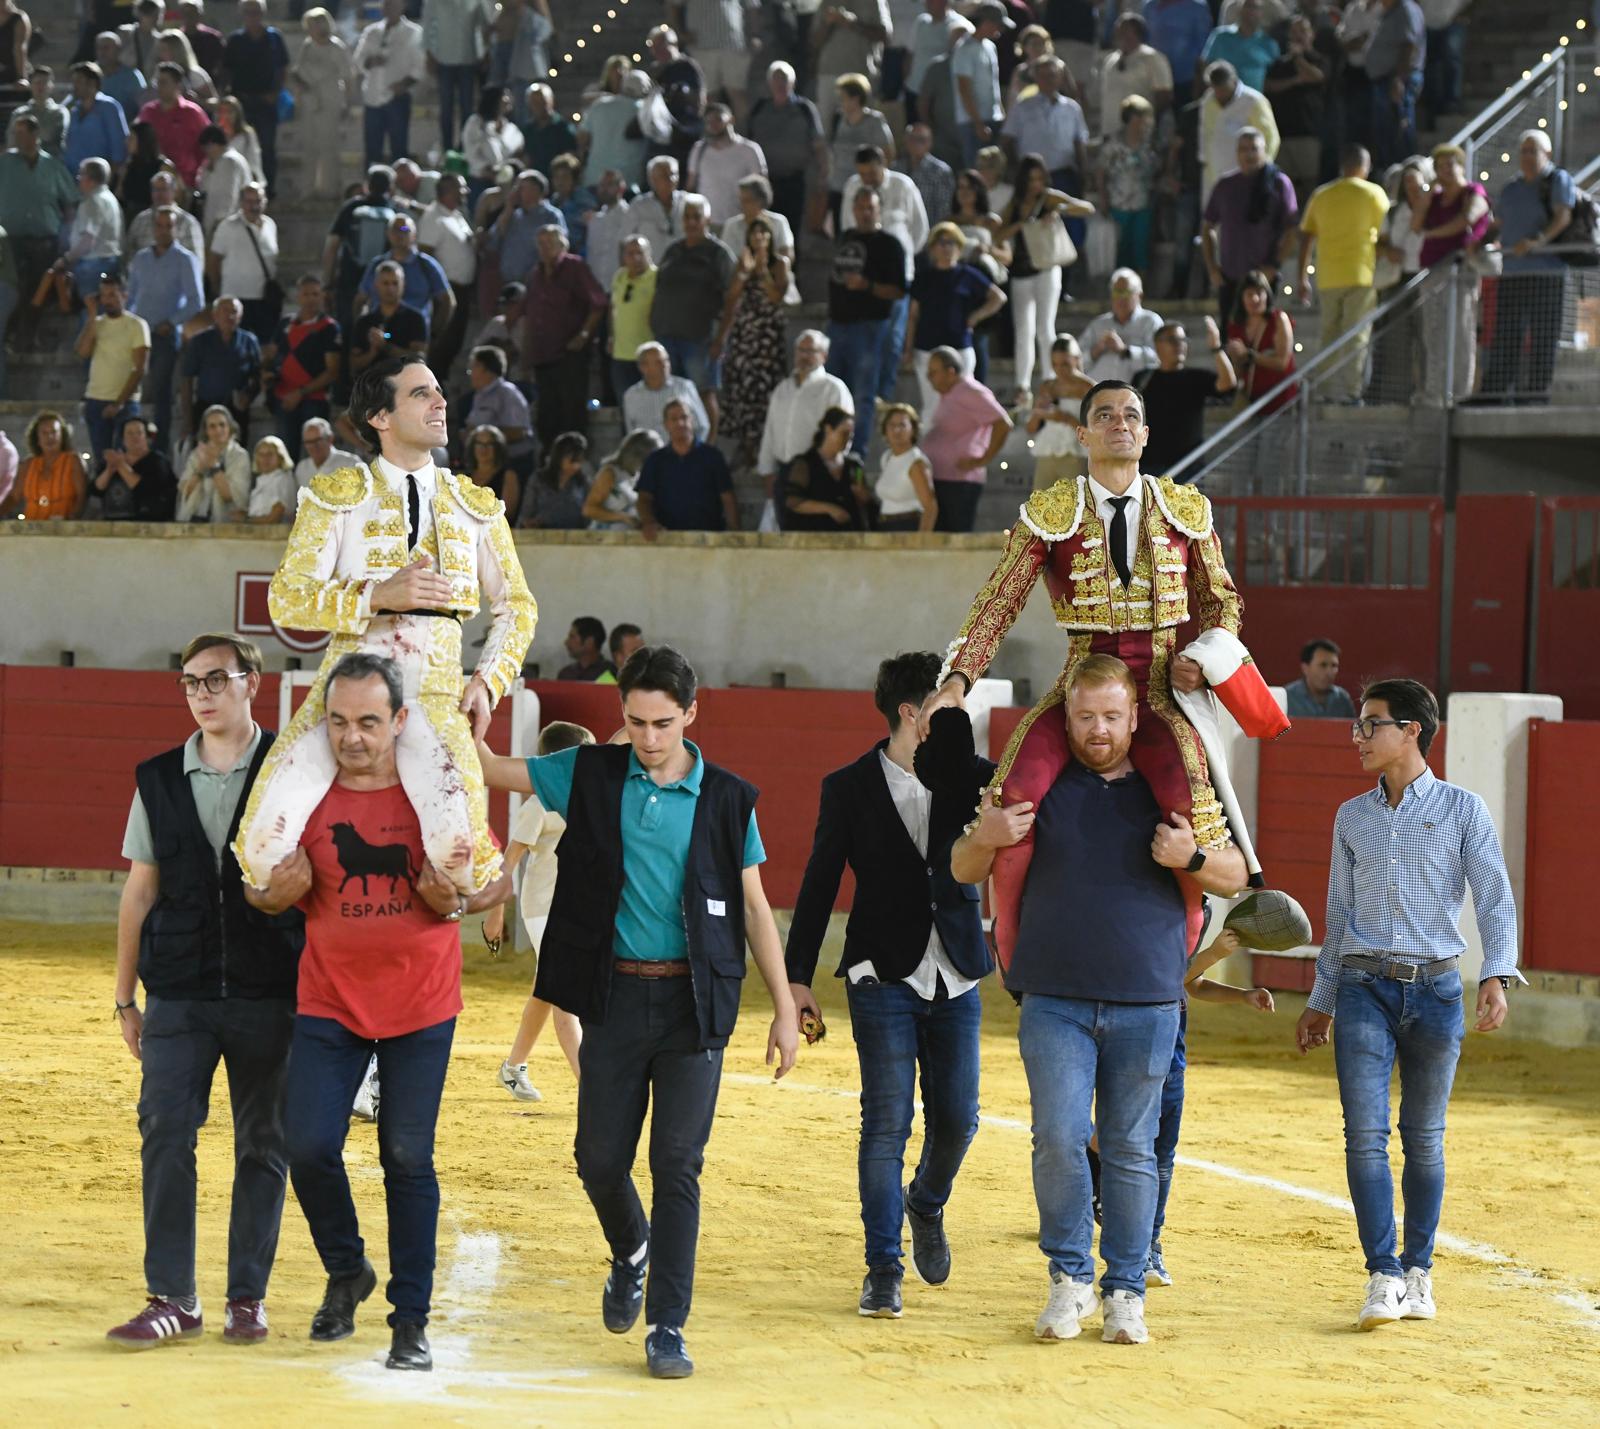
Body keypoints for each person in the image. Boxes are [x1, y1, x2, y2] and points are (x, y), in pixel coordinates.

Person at [475, 645, 799, 1379]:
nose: (649, 739)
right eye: (637, 722)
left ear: (691, 714)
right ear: (621, 716)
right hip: (614, 997)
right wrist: (472, 710)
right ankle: (631, 1248)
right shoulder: (588, 772)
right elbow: (491, 769)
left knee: (677, 1165)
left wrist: (784, 1007)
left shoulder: (727, 798)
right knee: (598, 1159)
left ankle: (668, 1324)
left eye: (663, 723)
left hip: (693, 1004)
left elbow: (755, 908)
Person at [921, 379, 1279, 974]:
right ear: (1082, 434)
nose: (1120, 423)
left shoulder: (1185, 510)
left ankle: (1180, 960)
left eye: (1131, 415)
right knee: (1011, 799)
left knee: (1191, 814)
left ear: (1145, 434)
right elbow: (999, 601)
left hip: (1164, 689)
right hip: (1079, 687)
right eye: (1105, 415)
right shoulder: (1050, 513)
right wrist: (958, 680)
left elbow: (1223, 604)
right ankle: (1014, 955)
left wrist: (1204, 657)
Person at [949, 654, 1249, 1346]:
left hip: (1148, 1000)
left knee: (1130, 1147)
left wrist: (1191, 858)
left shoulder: (1174, 792)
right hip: (1053, 996)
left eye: (1112, 715)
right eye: (1085, 716)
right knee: (1058, 1136)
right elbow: (964, 866)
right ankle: (1068, 1278)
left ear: (1135, 716)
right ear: (1067, 716)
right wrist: (983, 837)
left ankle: (1125, 1290)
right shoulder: (1037, 784)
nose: (1099, 730)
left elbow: (1237, 873)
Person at [243, 652, 510, 1372]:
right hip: (329, 998)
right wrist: (268, 897)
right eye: (337, 721)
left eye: (367, 721)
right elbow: (259, 884)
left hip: (421, 1004)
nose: (351, 737)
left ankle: (409, 1321)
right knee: (307, 1146)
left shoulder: (435, 795)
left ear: (399, 720)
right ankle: (346, 1269)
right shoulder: (304, 794)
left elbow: (495, 882)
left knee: (406, 1156)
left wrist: (455, 901)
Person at [232, 355, 538, 900]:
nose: (441, 402)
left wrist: (488, 681)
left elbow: (518, 606)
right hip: (345, 691)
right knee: (260, 850)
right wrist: (376, 597)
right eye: (422, 394)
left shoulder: (475, 505)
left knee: (465, 862)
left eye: (439, 391)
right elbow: (286, 599)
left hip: (436, 691)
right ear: (380, 417)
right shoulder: (336, 495)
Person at [1295, 678, 1521, 1331]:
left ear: (1412, 730)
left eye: (1371, 724)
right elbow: (1338, 916)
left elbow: (1494, 897)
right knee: (1364, 1135)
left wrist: (1497, 974)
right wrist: (1322, 998)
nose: (1359, 736)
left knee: (1423, 1137)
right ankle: (1383, 1273)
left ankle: (1418, 1270)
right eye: (1358, 725)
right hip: (1363, 986)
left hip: (1437, 990)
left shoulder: (1462, 808)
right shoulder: (1351, 816)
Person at [104, 633, 304, 1352]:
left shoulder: (290, 770)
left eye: (217, 678)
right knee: (164, 1129)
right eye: (190, 681)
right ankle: (172, 1297)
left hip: (271, 990)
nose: (201, 693)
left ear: (252, 681)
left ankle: (246, 1296)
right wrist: (125, 997)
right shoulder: (159, 777)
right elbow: (140, 891)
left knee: (264, 1143)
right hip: (180, 993)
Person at [786, 653, 991, 1316]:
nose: (958, 711)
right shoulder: (848, 787)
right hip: (880, 973)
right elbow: (819, 883)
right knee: (885, 1123)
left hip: (956, 969)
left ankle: (925, 1202)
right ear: (913, 710)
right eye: (947, 700)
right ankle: (883, 1268)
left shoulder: (976, 777)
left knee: (958, 1120)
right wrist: (796, 977)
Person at [488, 718, 596, 1102]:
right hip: (543, 909)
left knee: (547, 990)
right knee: (564, 996)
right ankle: (592, 1088)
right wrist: (496, 914)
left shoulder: (590, 799)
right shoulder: (539, 803)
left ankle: (513, 1066)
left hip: (577, 910)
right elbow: (508, 861)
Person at [1481, 130, 1575, 407]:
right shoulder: (1511, 188)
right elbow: (1498, 225)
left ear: (1547, 154)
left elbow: (1563, 217)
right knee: (1506, 334)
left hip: (1546, 273)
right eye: (1523, 151)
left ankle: (1536, 394)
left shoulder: (1557, 180)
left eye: (1533, 151)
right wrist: (1478, 243)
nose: (1527, 156)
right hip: (1512, 273)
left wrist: (1538, 241)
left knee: (1543, 336)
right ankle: (1495, 393)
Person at [996, 154, 1094, 407]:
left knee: (1044, 327)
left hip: (1047, 268)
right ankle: (1022, 385)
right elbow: (998, 233)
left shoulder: (1048, 198)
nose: (1035, 185)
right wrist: (1021, 225)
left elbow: (1086, 208)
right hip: (1021, 271)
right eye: (1031, 180)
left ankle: (1050, 379)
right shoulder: (1016, 203)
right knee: (1023, 330)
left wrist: (1059, 210)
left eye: (1039, 179)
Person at [1296, 144, 1390, 403]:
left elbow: (1306, 238)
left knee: (1328, 335)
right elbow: (1386, 234)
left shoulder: (1321, 195)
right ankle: (1352, 391)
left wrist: (1302, 278)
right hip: (1362, 274)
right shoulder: (1374, 193)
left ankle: (1324, 390)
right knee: (1356, 335)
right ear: (1365, 167)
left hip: (1328, 277)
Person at [827, 187, 906, 455]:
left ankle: (856, 453)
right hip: (837, 324)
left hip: (870, 327)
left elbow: (898, 291)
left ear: (879, 210)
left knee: (863, 395)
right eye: (860, 207)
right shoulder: (845, 238)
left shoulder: (890, 245)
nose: (865, 213)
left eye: (870, 208)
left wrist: (867, 286)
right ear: (853, 210)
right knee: (833, 391)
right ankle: (832, 449)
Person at [652, 195, 736, 439]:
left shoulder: (718, 254)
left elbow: (733, 298)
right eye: (687, 217)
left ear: (707, 220)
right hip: (667, 334)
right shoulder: (673, 251)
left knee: (703, 393)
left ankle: (708, 448)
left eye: (696, 217)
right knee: (671, 396)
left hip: (700, 338)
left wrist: (721, 338)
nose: (691, 222)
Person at [905, 222, 1006, 419]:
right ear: (933, 248)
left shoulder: (967, 274)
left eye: (951, 243)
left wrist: (976, 316)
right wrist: (908, 348)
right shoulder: (924, 278)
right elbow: (913, 316)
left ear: (959, 247)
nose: (946, 248)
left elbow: (998, 297)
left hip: (959, 346)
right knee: (932, 404)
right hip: (927, 348)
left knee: (963, 401)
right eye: (941, 243)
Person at [1414, 142, 1489, 407]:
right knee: (1433, 332)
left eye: (1450, 164)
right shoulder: (1434, 199)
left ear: (1461, 166)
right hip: (1432, 270)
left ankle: (1459, 393)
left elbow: (1469, 218)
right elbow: (1415, 224)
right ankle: (1435, 392)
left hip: (1460, 270)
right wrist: (1427, 194)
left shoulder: (1473, 192)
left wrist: (1433, 233)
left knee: (1461, 331)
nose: (1445, 170)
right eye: (1440, 166)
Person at [1202, 127, 1298, 328]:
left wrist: (1274, 265)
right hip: (1230, 276)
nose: (1249, 154)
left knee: (1263, 334)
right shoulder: (1225, 185)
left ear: (1264, 151)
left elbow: (1291, 230)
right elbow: (1208, 226)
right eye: (1243, 149)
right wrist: (1212, 267)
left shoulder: (1279, 183)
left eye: (1254, 149)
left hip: (1263, 278)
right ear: (1237, 153)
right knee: (1229, 335)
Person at [715, 218, 792, 467]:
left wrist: (762, 269)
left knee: (765, 389)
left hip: (767, 337)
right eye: (754, 234)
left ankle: (765, 447)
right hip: (744, 336)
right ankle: (746, 447)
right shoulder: (743, 262)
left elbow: (776, 295)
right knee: (742, 389)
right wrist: (745, 272)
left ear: (770, 237)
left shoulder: (780, 263)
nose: (758, 238)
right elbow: (731, 298)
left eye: (763, 234)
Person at [524, 226, 606, 446]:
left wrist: (584, 334)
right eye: (541, 244)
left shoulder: (575, 267)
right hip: (543, 354)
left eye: (550, 243)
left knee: (572, 413)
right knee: (547, 415)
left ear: (562, 245)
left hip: (569, 353)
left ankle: (574, 457)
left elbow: (598, 303)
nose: (545, 248)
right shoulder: (535, 274)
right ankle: (550, 458)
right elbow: (530, 314)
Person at [0, 117, 75, 352]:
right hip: (10, 238)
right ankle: (11, 333)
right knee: (13, 285)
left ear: (35, 135)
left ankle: (25, 335)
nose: (18, 138)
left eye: (23, 133)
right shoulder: (4, 163)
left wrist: (66, 235)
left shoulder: (52, 166)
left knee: (38, 288)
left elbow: (70, 201)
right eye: (16, 134)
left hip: (44, 238)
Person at [920, 345, 1013, 532]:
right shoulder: (948, 394)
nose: (929, 378)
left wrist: (983, 459)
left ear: (950, 372)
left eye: (934, 372)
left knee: (955, 535)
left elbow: (1003, 423)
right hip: (941, 477)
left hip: (959, 481)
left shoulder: (969, 391)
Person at [757, 330, 854, 505]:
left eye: (811, 351)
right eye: (801, 350)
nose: (804, 356)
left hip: (817, 472)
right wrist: (766, 470)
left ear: (824, 356)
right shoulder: (782, 388)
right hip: (783, 471)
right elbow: (770, 432)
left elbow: (844, 433)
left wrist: (832, 471)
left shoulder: (833, 389)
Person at [1133, 320, 1237, 481]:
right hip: (1149, 464)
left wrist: (1216, 348)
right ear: (1157, 345)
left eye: (1183, 340)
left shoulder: (1196, 377)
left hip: (1187, 466)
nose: (1179, 345)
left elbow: (1227, 384)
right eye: (1172, 340)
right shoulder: (1143, 378)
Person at [76, 273, 150, 476]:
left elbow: (140, 368)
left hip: (125, 403)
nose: (107, 300)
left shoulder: (137, 325)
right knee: (102, 460)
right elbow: (83, 352)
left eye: (112, 295)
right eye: (103, 295)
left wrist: (119, 403)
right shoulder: (97, 324)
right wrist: (92, 316)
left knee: (128, 459)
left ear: (124, 296)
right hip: (96, 400)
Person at [262, 275, 340, 464]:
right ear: (298, 296)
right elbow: (271, 356)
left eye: (315, 294)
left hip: (314, 400)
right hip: (283, 397)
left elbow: (332, 371)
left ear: (322, 296)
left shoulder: (329, 328)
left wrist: (300, 393)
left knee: (317, 456)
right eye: (306, 294)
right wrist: (265, 373)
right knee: (285, 456)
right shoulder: (284, 324)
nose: (311, 299)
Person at [745, 60, 826, 234]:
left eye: (784, 80)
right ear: (769, 83)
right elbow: (748, 142)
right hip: (765, 180)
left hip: (794, 180)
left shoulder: (805, 109)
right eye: (776, 80)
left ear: (793, 83)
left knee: (792, 227)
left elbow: (818, 144)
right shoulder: (760, 108)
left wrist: (822, 174)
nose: (780, 84)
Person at [637, 399, 739, 536]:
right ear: (666, 424)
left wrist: (734, 532)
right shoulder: (655, 460)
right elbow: (644, 498)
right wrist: (649, 522)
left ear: (692, 420)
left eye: (684, 417)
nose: (680, 423)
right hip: (666, 538)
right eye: (674, 419)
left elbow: (727, 497)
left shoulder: (712, 456)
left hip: (708, 537)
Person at [1263, 15, 1330, 203]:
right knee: (1284, 188)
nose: (1298, 35)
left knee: (1310, 187)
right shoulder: (1279, 64)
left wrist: (1298, 58)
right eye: (1294, 32)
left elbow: (1317, 77)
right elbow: (1269, 86)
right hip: (1282, 135)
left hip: (1307, 133)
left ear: (1312, 34)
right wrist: (1296, 80)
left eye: (1303, 31)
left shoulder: (1319, 59)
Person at [417, 174, 477, 380]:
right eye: (462, 188)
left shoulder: (456, 215)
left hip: (462, 290)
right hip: (446, 291)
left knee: (454, 342)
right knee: (442, 343)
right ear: (449, 191)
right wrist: (437, 292)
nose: (466, 192)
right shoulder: (433, 217)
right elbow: (425, 255)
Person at [357, 214, 453, 342]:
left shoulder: (427, 265)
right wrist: (361, 331)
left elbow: (447, 301)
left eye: (405, 229)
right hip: (380, 336)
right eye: (395, 229)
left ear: (415, 235)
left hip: (413, 337)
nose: (400, 234)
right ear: (387, 233)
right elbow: (360, 299)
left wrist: (433, 334)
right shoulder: (376, 265)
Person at [290, 7, 353, 201]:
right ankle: (307, 189)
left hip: (330, 100)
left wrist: (347, 103)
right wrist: (299, 98)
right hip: (310, 101)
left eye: (318, 24)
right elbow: (298, 72)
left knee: (328, 148)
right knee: (309, 147)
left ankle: (329, 190)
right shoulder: (307, 46)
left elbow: (348, 77)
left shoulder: (337, 47)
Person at [179, 296, 261, 444]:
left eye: (234, 312)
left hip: (237, 410)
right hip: (206, 406)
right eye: (225, 311)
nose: (230, 316)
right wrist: (187, 419)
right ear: (215, 315)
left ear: (240, 316)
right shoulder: (199, 341)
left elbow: (257, 376)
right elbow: (187, 379)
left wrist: (248, 396)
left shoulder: (249, 341)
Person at [354, 0, 426, 167]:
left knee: (399, 151)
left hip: (397, 98)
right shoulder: (371, 32)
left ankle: (398, 183)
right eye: (387, 4)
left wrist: (404, 84)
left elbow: (420, 66)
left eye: (394, 4)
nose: (390, 8)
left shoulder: (413, 32)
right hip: (372, 97)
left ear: (403, 6)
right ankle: (372, 183)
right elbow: (358, 61)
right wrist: (370, 61)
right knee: (372, 151)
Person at [207, 182, 279, 344]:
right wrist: (217, 289)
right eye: (249, 201)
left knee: (263, 344)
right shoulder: (227, 226)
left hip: (263, 299)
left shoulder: (270, 225)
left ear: (265, 201)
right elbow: (214, 260)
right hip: (235, 298)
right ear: (241, 203)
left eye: (258, 201)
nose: (254, 206)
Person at [1198, 62, 1278, 207]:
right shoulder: (1208, 100)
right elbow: (1205, 133)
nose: (1219, 94)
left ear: (1234, 81)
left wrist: (1262, 170)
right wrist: (1204, 161)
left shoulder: (1253, 101)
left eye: (1223, 89)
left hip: (1246, 175)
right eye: (1215, 89)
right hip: (1213, 174)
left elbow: (1270, 138)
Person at [1098, 97, 1162, 275]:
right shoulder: (1113, 144)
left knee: (1142, 249)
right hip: (1119, 204)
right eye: (1140, 117)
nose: (1144, 122)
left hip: (1143, 203)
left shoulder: (1149, 144)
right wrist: (1103, 199)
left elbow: (1157, 169)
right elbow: (1101, 171)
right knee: (1121, 249)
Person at [781, 406, 868, 532]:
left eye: (850, 436)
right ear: (828, 429)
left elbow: (864, 504)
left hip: (847, 534)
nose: (847, 440)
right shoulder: (805, 463)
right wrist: (829, 509)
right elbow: (793, 501)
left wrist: (863, 496)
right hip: (813, 532)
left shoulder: (853, 466)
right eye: (843, 433)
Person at [826, 78, 895, 232]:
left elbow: (888, 153)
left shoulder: (875, 121)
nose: (839, 102)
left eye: (843, 98)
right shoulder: (838, 120)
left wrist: (874, 180)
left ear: (855, 98)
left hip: (864, 187)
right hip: (839, 187)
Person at [55, 157, 124, 309]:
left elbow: (88, 240)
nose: (78, 180)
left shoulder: (92, 202)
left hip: (93, 266)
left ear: (90, 179)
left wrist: (66, 259)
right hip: (109, 262)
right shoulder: (110, 198)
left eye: (81, 175)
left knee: (90, 310)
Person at [1224, 268, 1298, 411]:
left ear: (1267, 295)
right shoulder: (1236, 326)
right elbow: (1237, 373)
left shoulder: (1278, 320)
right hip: (1252, 400)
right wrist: (1236, 358)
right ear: (1242, 298)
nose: (1255, 299)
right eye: (1249, 294)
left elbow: (1282, 363)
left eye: (1259, 293)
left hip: (1280, 400)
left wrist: (1249, 354)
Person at [1364, 0, 1424, 170]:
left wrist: (1398, 79)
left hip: (1397, 79)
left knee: (1400, 129)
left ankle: (1406, 173)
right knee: (1385, 131)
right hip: (1384, 79)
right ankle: (1390, 170)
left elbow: (1408, 45)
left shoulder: (1405, 10)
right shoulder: (1389, 12)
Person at [1026, 334, 1092, 487]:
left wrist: (1064, 418)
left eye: (1065, 364)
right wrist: (1039, 411)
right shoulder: (1048, 386)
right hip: (1047, 452)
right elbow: (1031, 428)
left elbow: (1095, 434)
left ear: (1076, 359)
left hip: (1075, 454)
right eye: (1054, 364)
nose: (1059, 370)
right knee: (1041, 501)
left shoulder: (1089, 388)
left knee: (1072, 500)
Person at [1079, 267, 1164, 385]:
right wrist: (1097, 350)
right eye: (1116, 292)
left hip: (1135, 392)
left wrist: (1125, 350)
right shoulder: (1098, 324)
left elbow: (1160, 358)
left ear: (1139, 295)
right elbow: (1075, 360)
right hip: (1098, 390)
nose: (1121, 298)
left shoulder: (1150, 321)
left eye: (1126, 292)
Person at [687, 103, 768, 227]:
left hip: (741, 222)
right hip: (707, 223)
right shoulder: (699, 150)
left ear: (731, 120)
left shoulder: (749, 150)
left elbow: (762, 189)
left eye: (718, 120)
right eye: (709, 122)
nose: (713, 125)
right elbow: (691, 186)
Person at [350, 260, 430, 380]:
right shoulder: (364, 322)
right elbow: (354, 366)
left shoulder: (415, 319)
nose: (390, 288)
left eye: (395, 283)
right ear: (376, 285)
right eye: (385, 283)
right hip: (372, 385)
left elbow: (419, 360)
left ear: (403, 285)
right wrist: (372, 352)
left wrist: (386, 347)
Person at [1, 411, 88, 522]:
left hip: (63, 527)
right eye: (44, 433)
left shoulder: (73, 461)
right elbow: (14, 497)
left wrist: (72, 519)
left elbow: (82, 496)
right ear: (37, 438)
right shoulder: (28, 464)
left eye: (54, 432)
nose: (50, 437)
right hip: (30, 526)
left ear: (62, 435)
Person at [952, 3, 1009, 168]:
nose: (1000, 30)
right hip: (972, 123)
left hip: (992, 118)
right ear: (986, 23)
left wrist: (1001, 114)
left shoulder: (990, 47)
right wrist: (978, 123)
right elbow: (964, 89)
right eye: (998, 25)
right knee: (976, 168)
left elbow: (993, 86)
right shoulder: (964, 49)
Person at [621, 342, 711, 445]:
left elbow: (702, 425)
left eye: (666, 360)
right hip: (647, 453)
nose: (665, 365)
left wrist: (693, 450)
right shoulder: (631, 396)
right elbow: (631, 432)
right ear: (643, 367)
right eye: (659, 362)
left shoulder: (685, 387)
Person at [176, 403, 252, 524]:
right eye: (212, 426)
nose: (218, 430)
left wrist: (214, 466)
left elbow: (234, 496)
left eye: (222, 425)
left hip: (225, 522)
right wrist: (200, 470)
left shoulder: (240, 456)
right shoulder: (196, 454)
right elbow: (185, 492)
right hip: (193, 519)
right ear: (206, 431)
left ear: (230, 427)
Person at [463, 344, 535, 471]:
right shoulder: (479, 396)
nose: (470, 374)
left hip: (511, 464)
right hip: (486, 463)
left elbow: (519, 432)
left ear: (484, 368)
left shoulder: (508, 394)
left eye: (472, 368)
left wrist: (485, 436)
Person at [1100, 14, 1174, 135]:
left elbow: (1164, 95)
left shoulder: (1153, 58)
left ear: (1137, 33)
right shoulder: (1110, 60)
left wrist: (1147, 122)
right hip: (1110, 131)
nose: (1119, 33)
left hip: (1138, 133)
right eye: (1118, 29)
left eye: (1125, 29)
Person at [94, 412, 176, 520]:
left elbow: (148, 490)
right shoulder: (113, 459)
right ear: (123, 439)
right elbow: (96, 490)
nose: (135, 437)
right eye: (130, 433)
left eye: (139, 433)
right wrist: (109, 470)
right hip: (113, 520)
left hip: (149, 521)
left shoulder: (157, 461)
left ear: (147, 437)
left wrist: (121, 466)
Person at [873, 403, 937, 532]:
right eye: (892, 425)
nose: (896, 430)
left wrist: (921, 539)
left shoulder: (916, 462)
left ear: (912, 429)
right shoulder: (887, 458)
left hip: (908, 526)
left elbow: (930, 506)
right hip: (886, 526)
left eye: (902, 425)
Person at [583, 430, 661, 531]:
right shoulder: (610, 473)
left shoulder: (637, 476)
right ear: (638, 456)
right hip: (603, 536)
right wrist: (623, 517)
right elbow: (589, 510)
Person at [64, 61, 131, 178]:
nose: (74, 86)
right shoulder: (73, 110)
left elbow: (119, 147)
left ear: (92, 83)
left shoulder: (109, 107)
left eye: (78, 81)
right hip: (73, 177)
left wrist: (110, 178)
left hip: (99, 178)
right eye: (73, 81)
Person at [1201, 0, 1280, 93]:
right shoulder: (1220, 37)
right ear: (1239, 10)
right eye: (1247, 6)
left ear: (1261, 12)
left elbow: (1274, 76)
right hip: (1221, 98)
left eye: (1255, 7)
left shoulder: (1269, 44)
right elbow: (1204, 66)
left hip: (1254, 99)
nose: (1250, 11)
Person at [518, 431, 589, 529]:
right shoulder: (538, 480)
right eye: (572, 460)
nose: (576, 466)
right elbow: (525, 515)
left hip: (574, 535)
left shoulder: (582, 482)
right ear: (559, 457)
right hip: (541, 534)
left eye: (579, 461)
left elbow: (587, 517)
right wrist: (528, 523)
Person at [196, 124, 252, 245]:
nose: (206, 152)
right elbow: (203, 189)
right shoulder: (212, 163)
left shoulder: (229, 161)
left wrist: (219, 224)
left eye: (207, 148)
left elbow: (228, 197)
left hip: (225, 226)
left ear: (214, 144)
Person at [896, 123, 955, 230]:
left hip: (929, 230)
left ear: (930, 143)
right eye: (912, 139)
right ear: (906, 141)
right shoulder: (896, 168)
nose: (916, 143)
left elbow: (944, 210)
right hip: (900, 229)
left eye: (922, 140)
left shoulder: (940, 171)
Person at [1285, 637, 1357, 718]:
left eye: (1334, 665)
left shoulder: (1342, 699)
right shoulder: (1288, 697)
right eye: (1323, 665)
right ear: (1305, 668)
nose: (1329, 672)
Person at [519, 83, 577, 181]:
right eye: (534, 102)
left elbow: (570, 158)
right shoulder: (527, 130)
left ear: (551, 101)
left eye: (542, 101)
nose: (538, 106)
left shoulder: (564, 128)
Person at [462, 424, 521, 518]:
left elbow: (508, 513)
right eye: (479, 443)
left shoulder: (508, 475)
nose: (483, 448)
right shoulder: (464, 478)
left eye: (489, 444)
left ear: (498, 447)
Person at [236, 434, 295, 524]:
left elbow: (274, 518)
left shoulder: (283, 479)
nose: (265, 459)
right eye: (261, 455)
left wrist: (245, 520)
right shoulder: (261, 480)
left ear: (280, 457)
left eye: (270, 454)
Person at [294, 416, 364, 491]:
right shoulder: (301, 468)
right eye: (309, 442)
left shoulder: (351, 463)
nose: (313, 446)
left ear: (330, 438)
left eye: (318, 440)